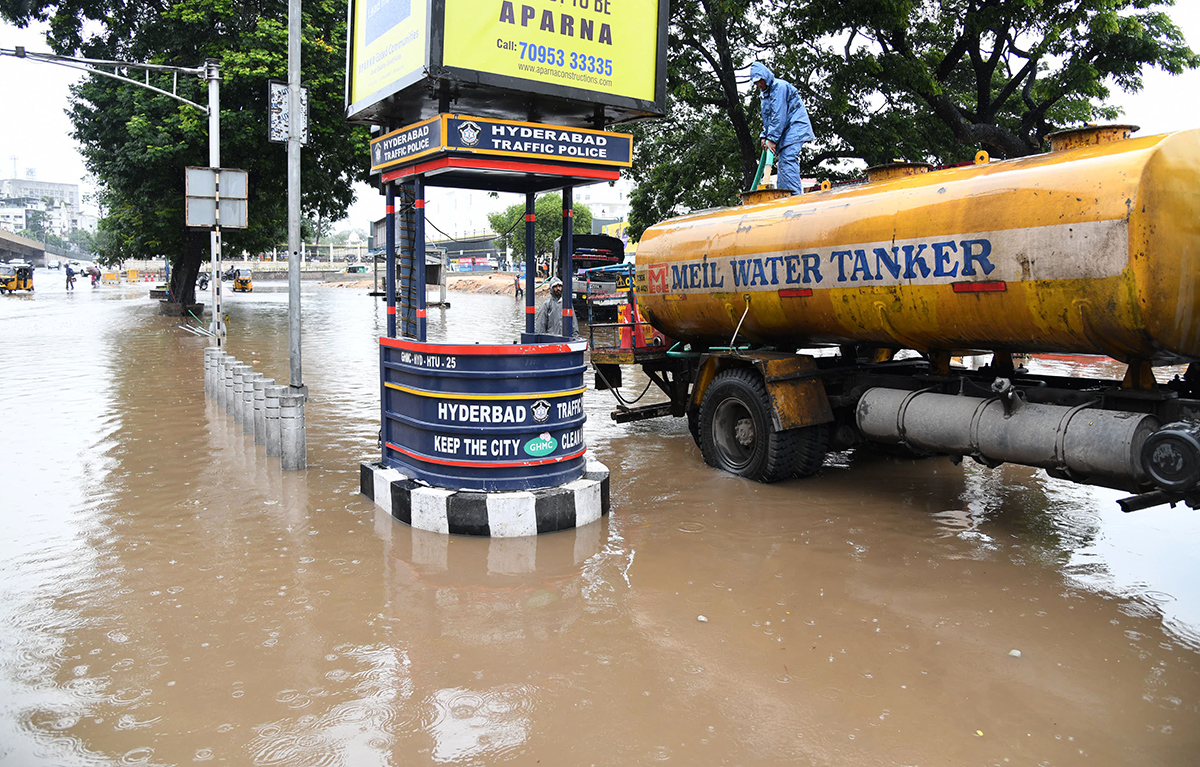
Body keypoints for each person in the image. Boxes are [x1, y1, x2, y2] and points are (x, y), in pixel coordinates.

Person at [750, 62, 815, 194]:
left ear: (765, 78)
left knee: (787, 159)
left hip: (794, 127)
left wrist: (772, 139)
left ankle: (795, 198)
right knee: (782, 166)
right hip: (785, 130)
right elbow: (768, 118)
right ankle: (785, 196)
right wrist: (764, 136)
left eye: (760, 81)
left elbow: (779, 115)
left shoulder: (780, 87)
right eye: (756, 83)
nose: (759, 85)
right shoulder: (765, 95)